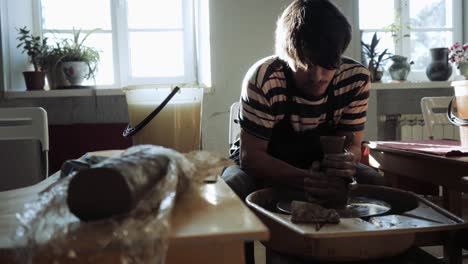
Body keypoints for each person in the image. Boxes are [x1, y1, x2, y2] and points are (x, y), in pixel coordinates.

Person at [222, 0, 388, 263]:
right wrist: (306, 180)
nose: (317, 76)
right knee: (230, 187)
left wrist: (345, 161)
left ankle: (364, 253)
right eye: (306, 64)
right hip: (262, 161)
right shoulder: (265, 77)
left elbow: (353, 146)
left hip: (319, 163)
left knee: (376, 184)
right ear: (288, 55)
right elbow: (252, 157)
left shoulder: (355, 78)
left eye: (327, 65)